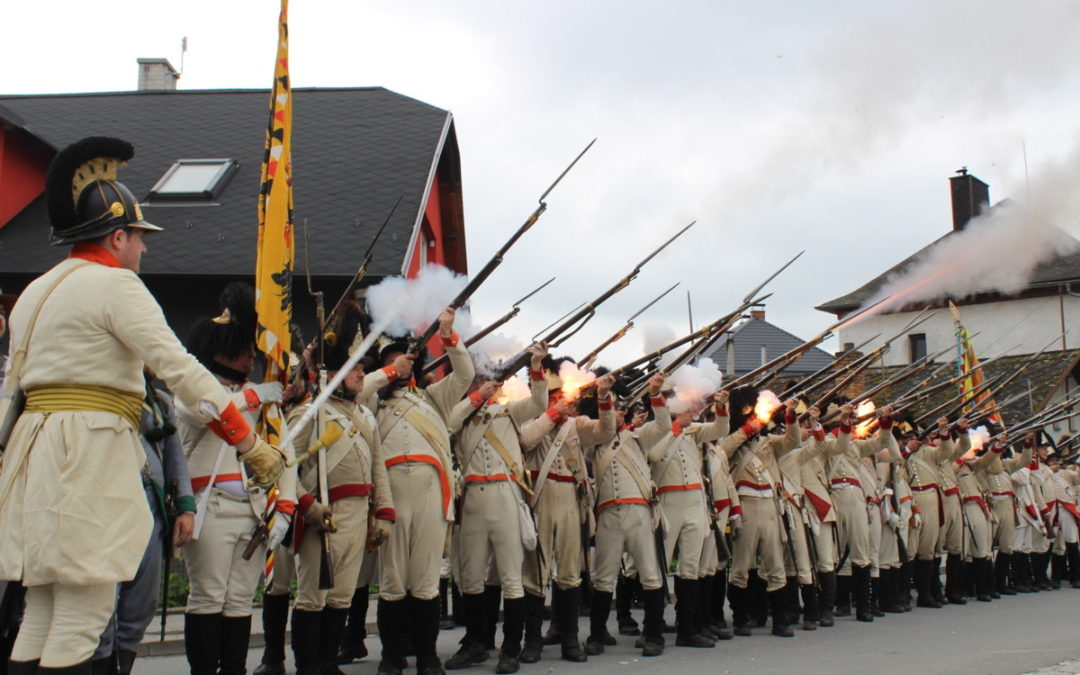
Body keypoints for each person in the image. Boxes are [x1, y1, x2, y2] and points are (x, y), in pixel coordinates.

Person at [0, 136, 286, 674]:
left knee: (40, 608)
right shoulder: (117, 285)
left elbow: (13, 389)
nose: (144, 248)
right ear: (116, 236)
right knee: (83, 613)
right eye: (138, 236)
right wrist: (247, 442)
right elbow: (181, 371)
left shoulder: (36, 290)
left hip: (31, 457)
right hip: (87, 452)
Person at [177, 283, 297, 675]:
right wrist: (254, 397)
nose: (250, 354)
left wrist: (286, 507)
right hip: (209, 506)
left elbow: (284, 452)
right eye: (243, 346)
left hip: (253, 509)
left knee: (241, 599)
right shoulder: (196, 384)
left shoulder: (260, 394)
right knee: (208, 595)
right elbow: (206, 411)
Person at [357, 309, 473, 675]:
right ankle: (392, 657)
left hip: (430, 491)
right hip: (389, 494)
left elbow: (466, 374)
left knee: (425, 581)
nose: (399, 368)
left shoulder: (433, 398)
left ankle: (427, 657)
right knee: (392, 581)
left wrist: (449, 335)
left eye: (404, 361)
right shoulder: (373, 402)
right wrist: (391, 370)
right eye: (390, 363)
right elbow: (358, 388)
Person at [287, 302, 395, 675]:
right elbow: (285, 468)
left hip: (358, 515)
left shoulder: (365, 415)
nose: (363, 375)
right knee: (312, 599)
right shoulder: (309, 412)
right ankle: (308, 668)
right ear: (333, 372)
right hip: (323, 516)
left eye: (363, 369)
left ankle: (328, 663)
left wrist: (384, 513)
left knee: (342, 598)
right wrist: (306, 504)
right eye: (356, 369)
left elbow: (378, 467)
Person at [442, 343, 548, 674]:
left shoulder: (508, 411)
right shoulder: (459, 412)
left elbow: (540, 403)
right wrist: (476, 398)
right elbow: (448, 424)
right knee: (471, 578)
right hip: (472, 497)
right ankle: (476, 643)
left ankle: (511, 649)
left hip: (505, 495)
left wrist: (536, 366)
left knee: (511, 578)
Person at [90, 372, 196, 675]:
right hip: (107, 505)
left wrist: (185, 506)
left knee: (140, 604)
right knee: (102, 607)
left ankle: (123, 667)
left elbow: (174, 454)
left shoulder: (158, 399)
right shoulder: (99, 381)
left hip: (152, 504)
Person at [517, 370, 616, 664]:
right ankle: (532, 640)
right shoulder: (532, 422)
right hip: (541, 497)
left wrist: (603, 397)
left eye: (564, 397)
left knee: (571, 571)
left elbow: (606, 431)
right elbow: (526, 441)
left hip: (572, 499)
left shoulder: (577, 425)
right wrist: (551, 414)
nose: (564, 402)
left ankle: (571, 640)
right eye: (557, 397)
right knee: (535, 572)